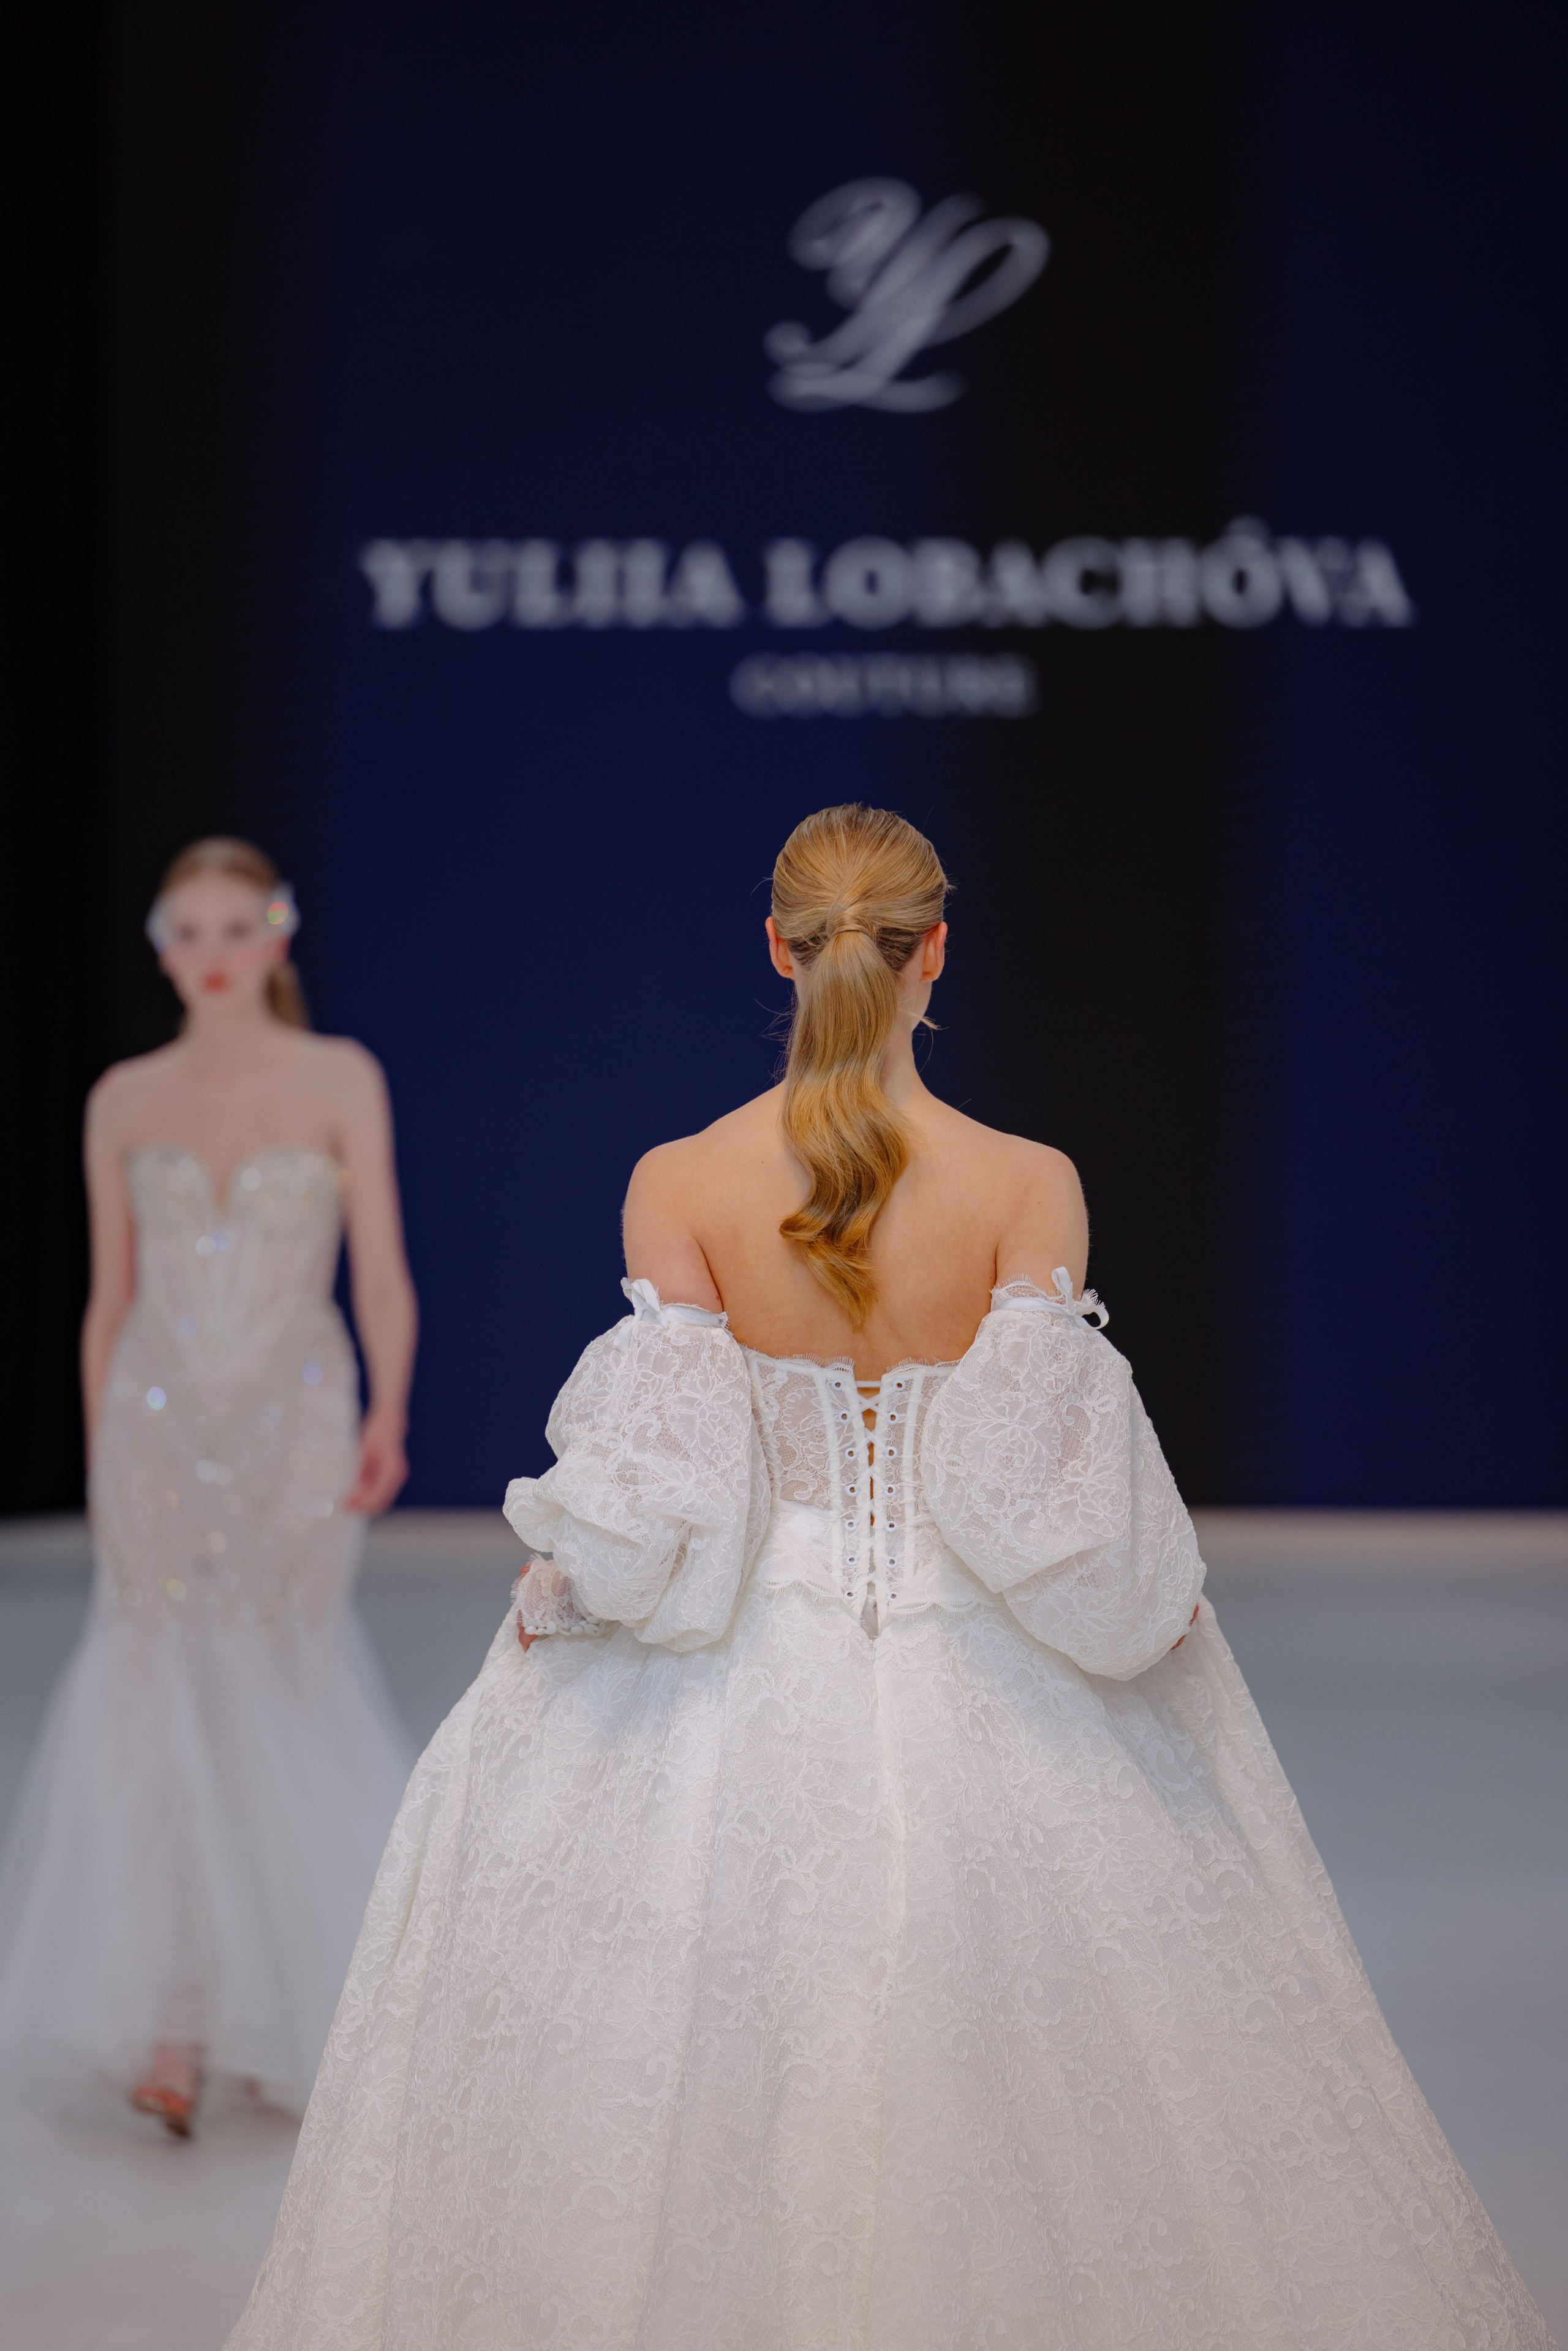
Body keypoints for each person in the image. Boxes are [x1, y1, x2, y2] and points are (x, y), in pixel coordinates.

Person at [229, 806, 1550, 2348]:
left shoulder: (683, 1179)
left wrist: (561, 1595)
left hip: (727, 1692)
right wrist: (1143, 1597)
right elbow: (1025, 1501)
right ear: (938, 948)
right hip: (992, 1681)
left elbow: (673, 1500)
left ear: (776, 951)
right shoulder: (1024, 1182)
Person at [0, 837, 418, 2138]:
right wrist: (98, 1447)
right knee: (154, 1690)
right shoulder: (122, 1096)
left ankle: (294, 2013)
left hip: (297, 1414)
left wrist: (392, 1413)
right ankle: (177, 2021)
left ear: (279, 934)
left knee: (280, 1680)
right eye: (193, 929)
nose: (218, 951)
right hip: (153, 1426)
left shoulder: (340, 1075)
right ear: (161, 946)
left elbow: (383, 1269)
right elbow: (107, 1297)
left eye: (241, 925)